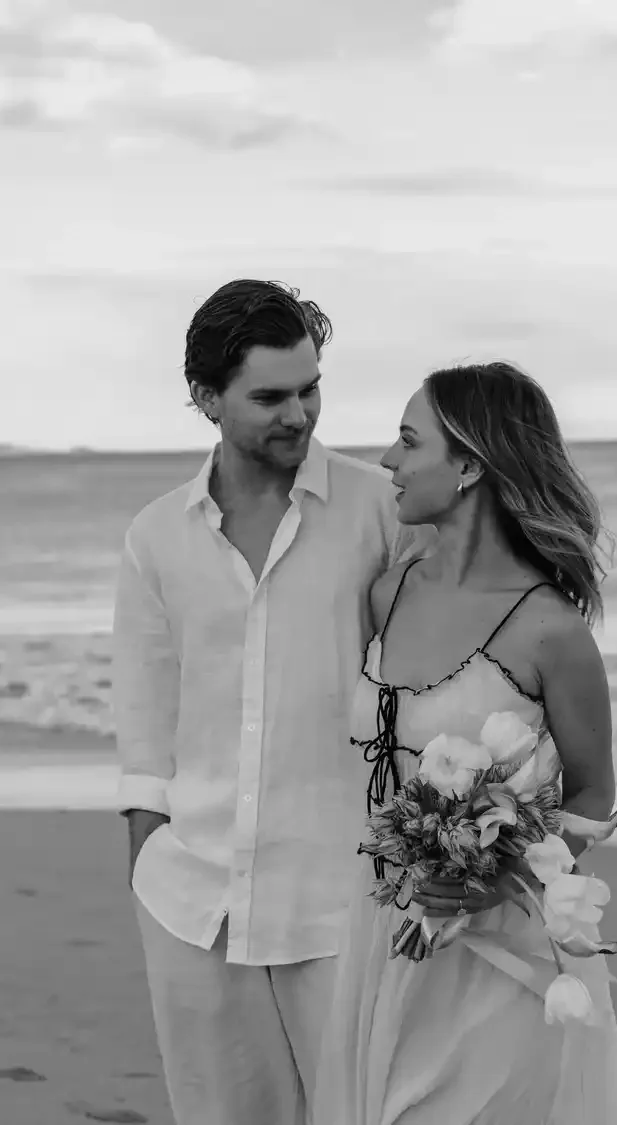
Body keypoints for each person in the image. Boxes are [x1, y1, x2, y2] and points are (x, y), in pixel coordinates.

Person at [113, 279, 429, 1125]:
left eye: (309, 388)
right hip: (194, 901)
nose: (300, 414)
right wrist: (147, 851)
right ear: (206, 398)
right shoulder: (156, 535)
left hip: (346, 897)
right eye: (270, 397)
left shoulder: (382, 511)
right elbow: (145, 707)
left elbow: (436, 677)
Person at [313, 361, 617, 1125]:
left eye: (408, 441)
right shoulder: (388, 592)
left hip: (501, 952)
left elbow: (594, 793)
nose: (388, 461)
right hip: (382, 933)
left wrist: (499, 874)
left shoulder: (550, 629)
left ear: (468, 464)